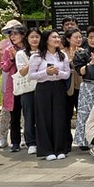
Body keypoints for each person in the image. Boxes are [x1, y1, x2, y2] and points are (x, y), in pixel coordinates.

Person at [29, 29, 72, 160]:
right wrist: (45, 72)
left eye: (58, 37)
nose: (57, 39)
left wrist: (57, 72)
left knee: (59, 118)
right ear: (46, 39)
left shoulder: (62, 56)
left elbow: (67, 74)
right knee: (44, 118)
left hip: (58, 87)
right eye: (54, 37)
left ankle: (60, 148)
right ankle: (47, 150)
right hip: (44, 88)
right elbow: (31, 75)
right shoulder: (37, 56)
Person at [0, 25, 26, 153]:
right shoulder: (8, 50)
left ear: (23, 35)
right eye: (11, 34)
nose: (13, 37)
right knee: (14, 115)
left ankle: (29, 139)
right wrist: (12, 58)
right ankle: (15, 142)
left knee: (29, 114)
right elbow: (4, 67)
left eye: (15, 34)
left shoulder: (28, 49)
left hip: (27, 84)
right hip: (14, 85)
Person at [13, 28, 40, 154]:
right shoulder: (21, 54)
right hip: (28, 89)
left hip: (43, 87)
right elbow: (22, 72)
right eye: (32, 37)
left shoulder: (45, 52)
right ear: (27, 39)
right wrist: (32, 61)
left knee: (42, 116)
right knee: (29, 116)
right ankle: (31, 142)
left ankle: (42, 140)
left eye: (37, 37)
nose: (35, 39)